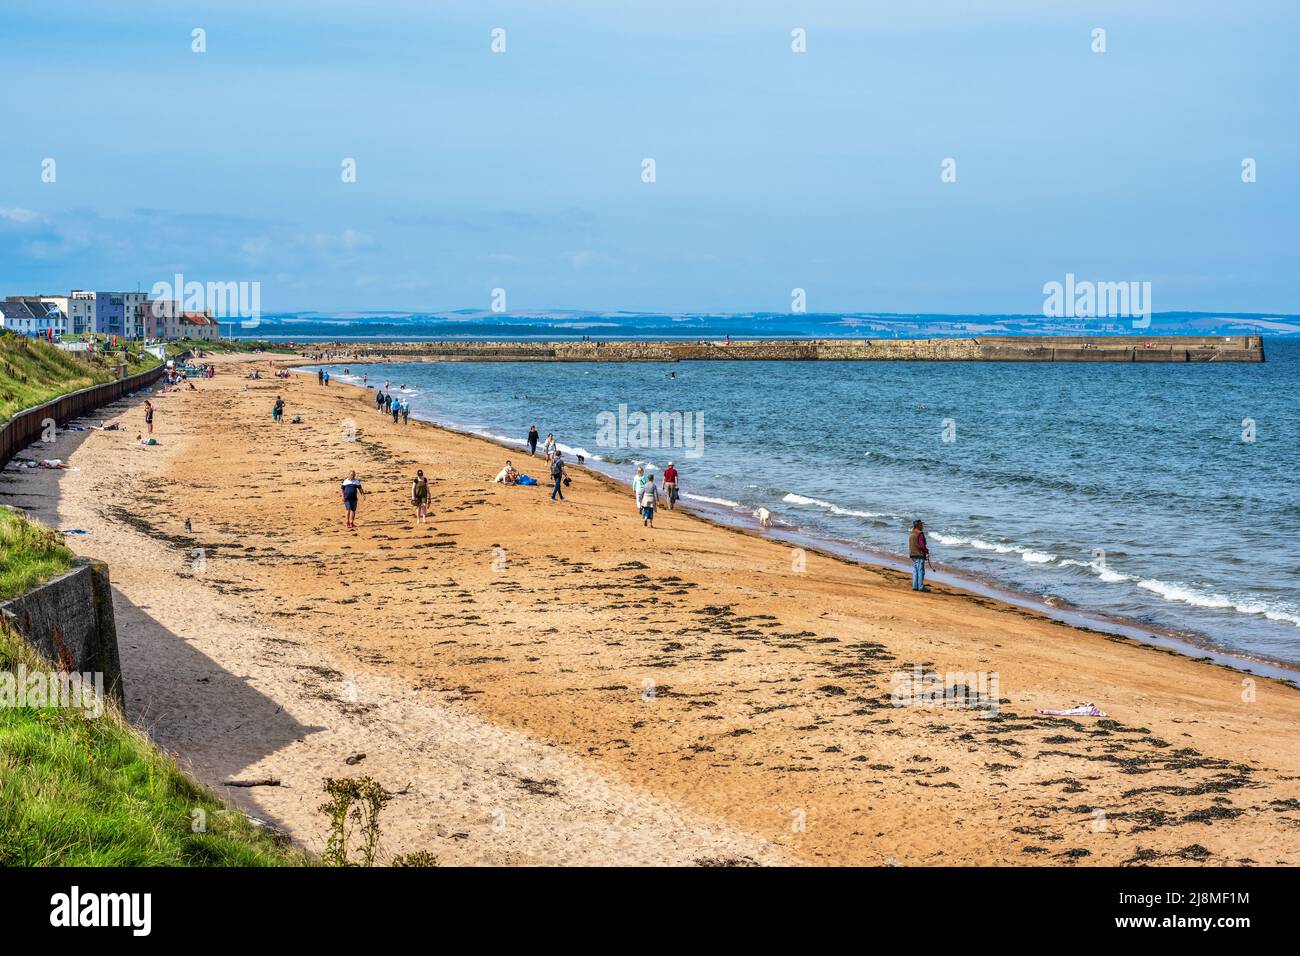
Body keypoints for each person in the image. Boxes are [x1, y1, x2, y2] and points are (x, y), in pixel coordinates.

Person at [909, 519, 930, 591]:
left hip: (913, 554)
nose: (922, 526)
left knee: (915, 570)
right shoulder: (920, 533)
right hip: (919, 555)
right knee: (921, 571)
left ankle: (915, 586)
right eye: (921, 524)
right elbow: (921, 545)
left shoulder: (911, 533)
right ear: (918, 526)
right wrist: (926, 551)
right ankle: (921, 587)